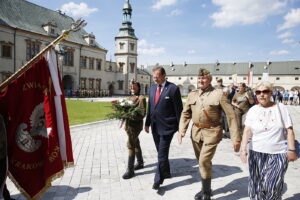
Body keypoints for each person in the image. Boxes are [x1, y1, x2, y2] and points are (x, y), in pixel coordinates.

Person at [178, 69, 241, 200]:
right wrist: (182, 130)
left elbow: (231, 117)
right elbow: (186, 113)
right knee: (202, 162)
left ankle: (206, 193)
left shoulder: (219, 94)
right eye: (199, 78)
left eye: (204, 78)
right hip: (196, 133)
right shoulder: (192, 94)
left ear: (210, 80)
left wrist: (236, 138)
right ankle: (205, 188)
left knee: (203, 161)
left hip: (212, 132)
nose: (201, 81)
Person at [240, 81, 298, 200]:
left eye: (265, 91)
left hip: (278, 153)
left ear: (270, 93)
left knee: (271, 185)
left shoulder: (281, 108)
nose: (262, 94)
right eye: (258, 92)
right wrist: (243, 149)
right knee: (256, 186)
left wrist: (291, 150)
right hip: (256, 153)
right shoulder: (253, 110)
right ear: (255, 94)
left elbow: (290, 130)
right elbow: (247, 131)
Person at [145, 66, 183, 190]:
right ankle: (166, 172)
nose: (154, 79)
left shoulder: (173, 89)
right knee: (160, 152)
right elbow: (150, 107)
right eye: (153, 77)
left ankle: (158, 179)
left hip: (168, 127)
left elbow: (179, 110)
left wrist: (180, 129)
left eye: (156, 77)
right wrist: (147, 123)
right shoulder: (151, 89)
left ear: (163, 75)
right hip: (155, 126)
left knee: (161, 154)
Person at [122, 80, 146, 179]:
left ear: (138, 87)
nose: (132, 87)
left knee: (130, 144)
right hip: (129, 125)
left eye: (135, 85)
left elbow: (142, 114)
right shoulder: (128, 98)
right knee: (136, 142)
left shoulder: (141, 98)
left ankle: (130, 170)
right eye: (131, 85)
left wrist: (129, 116)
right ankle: (140, 162)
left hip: (135, 126)